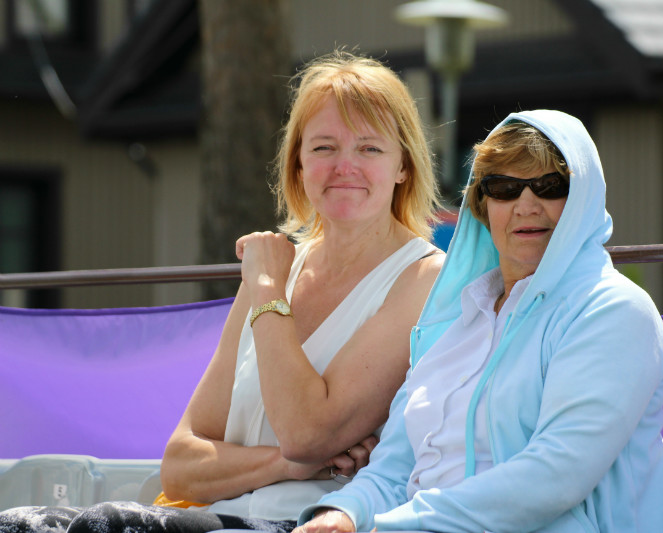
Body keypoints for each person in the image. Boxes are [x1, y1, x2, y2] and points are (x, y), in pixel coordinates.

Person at [0, 50, 444, 533]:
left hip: (305, 522)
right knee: (19, 524)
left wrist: (268, 290)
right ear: (297, 164)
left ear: (404, 166)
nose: (345, 166)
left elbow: (307, 433)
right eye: (323, 148)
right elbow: (180, 465)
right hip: (211, 519)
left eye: (369, 149)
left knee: (106, 525)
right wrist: (285, 464)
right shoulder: (275, 266)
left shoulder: (421, 278)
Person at [297, 109, 663, 533]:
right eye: (504, 188)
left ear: (582, 199)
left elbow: (554, 477)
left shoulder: (613, 310)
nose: (526, 205)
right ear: (482, 204)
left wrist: (397, 527)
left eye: (550, 187)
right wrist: (340, 515)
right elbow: (393, 470)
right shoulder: (455, 322)